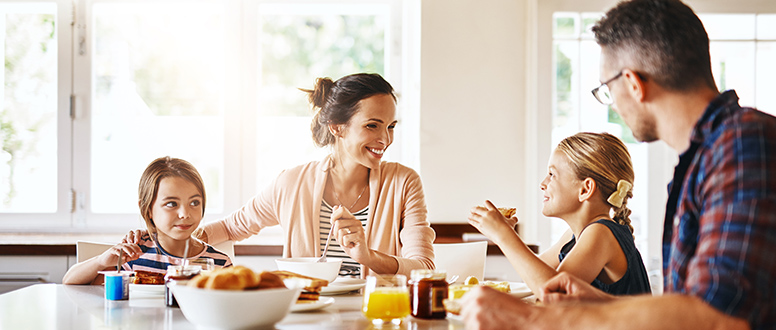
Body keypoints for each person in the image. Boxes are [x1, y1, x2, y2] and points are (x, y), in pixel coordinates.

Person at [459, 0, 776, 329]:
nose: (614, 107)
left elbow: (720, 317)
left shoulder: (742, 146)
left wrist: (534, 317)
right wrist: (601, 302)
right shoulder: (707, 158)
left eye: (607, 90)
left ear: (634, 83)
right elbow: (691, 306)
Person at [125, 73, 435, 278]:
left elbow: (423, 267)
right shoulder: (293, 182)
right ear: (337, 127)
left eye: (391, 126)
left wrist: (368, 256)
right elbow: (233, 228)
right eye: (373, 125)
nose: (386, 138)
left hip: (377, 316)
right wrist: (161, 238)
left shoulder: (404, 182)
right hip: (308, 314)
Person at [469, 132, 650, 296]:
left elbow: (553, 293)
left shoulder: (601, 233)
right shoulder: (574, 235)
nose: (543, 183)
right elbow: (534, 275)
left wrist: (503, 236)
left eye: (552, 174)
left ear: (585, 189)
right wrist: (508, 233)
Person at [63, 157, 232, 285]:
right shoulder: (133, 255)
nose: (184, 213)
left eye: (194, 203)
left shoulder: (220, 263)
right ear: (148, 209)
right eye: (171, 204)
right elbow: (69, 282)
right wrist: (101, 261)